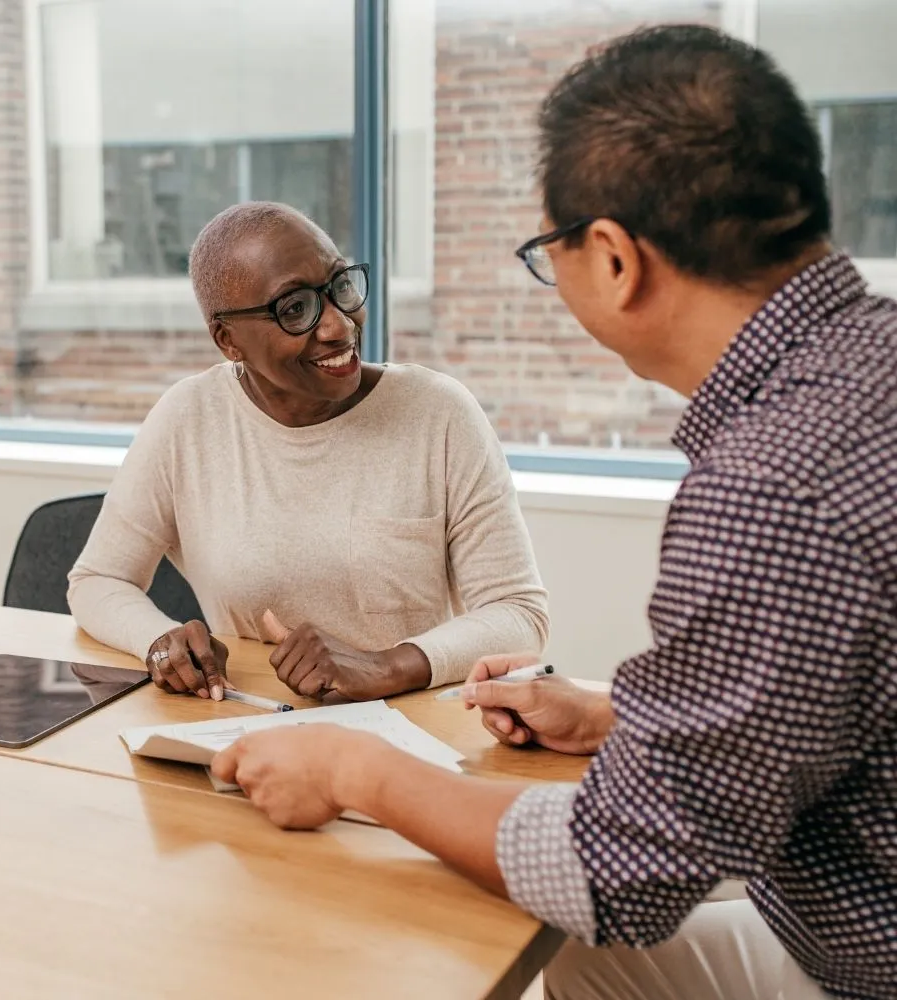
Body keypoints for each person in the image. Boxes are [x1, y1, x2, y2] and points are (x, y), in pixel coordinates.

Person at [210, 25, 896, 1000]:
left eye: (551, 251)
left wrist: (355, 771)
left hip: (863, 962)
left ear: (614, 259)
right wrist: (618, 718)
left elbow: (615, 875)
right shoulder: (864, 372)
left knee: (563, 926)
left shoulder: (770, 488)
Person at [67, 202, 548, 703]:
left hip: (410, 729)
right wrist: (159, 642)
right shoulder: (188, 419)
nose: (339, 326)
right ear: (228, 340)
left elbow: (518, 614)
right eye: (294, 309)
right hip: (245, 721)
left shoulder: (439, 413)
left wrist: (387, 666)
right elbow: (99, 579)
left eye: (340, 286)